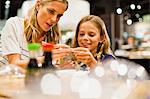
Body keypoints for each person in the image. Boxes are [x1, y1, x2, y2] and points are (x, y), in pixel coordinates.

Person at [1, 0, 69, 68]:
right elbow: (14, 64)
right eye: (51, 11)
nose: (54, 19)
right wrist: (48, 58)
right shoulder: (15, 24)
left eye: (59, 16)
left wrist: (65, 64)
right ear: (38, 5)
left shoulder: (55, 37)